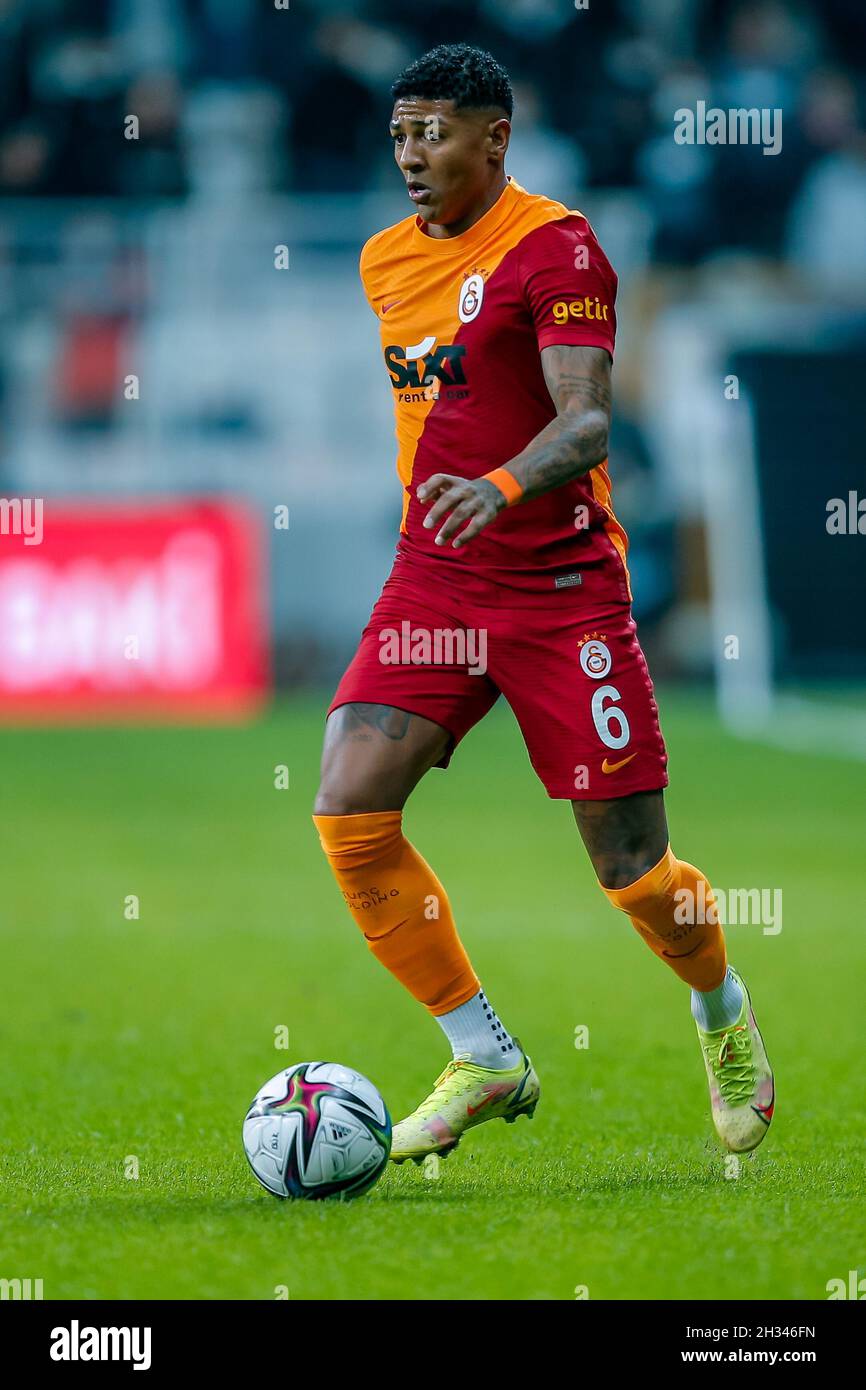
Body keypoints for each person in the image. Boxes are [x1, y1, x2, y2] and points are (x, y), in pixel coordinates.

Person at [312, 44, 774, 1163]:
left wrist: (503, 485)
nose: (412, 156)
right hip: (434, 575)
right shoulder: (382, 259)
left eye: (434, 133)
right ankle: (482, 1052)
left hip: (560, 591)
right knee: (348, 809)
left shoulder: (554, 248)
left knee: (629, 869)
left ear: (494, 139)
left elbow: (586, 423)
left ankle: (719, 1013)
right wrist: (450, 508)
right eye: (400, 135)